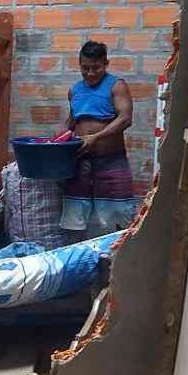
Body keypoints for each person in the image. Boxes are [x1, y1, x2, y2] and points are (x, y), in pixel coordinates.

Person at [61, 40, 137, 236]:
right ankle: (77, 263)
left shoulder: (116, 86)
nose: (90, 73)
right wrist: (58, 141)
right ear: (79, 64)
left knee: (118, 220)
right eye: (85, 68)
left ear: (106, 63)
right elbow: (72, 121)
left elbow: (125, 118)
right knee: (74, 217)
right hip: (79, 162)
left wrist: (95, 138)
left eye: (96, 67)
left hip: (111, 160)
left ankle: (114, 265)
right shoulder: (75, 90)